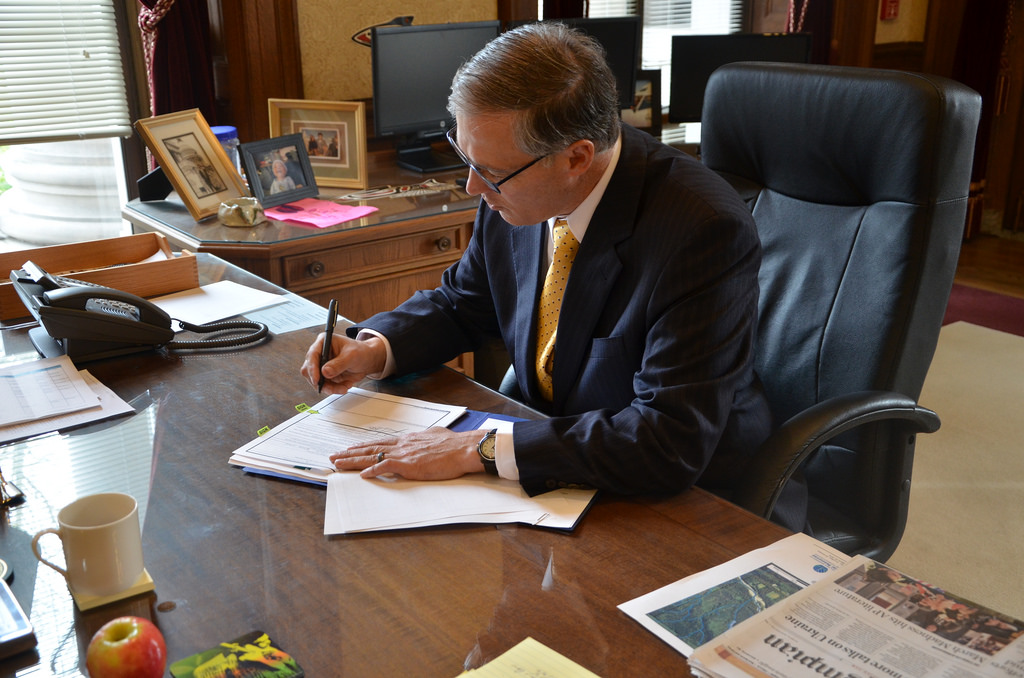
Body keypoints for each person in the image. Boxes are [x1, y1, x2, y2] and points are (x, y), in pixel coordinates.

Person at [301, 22, 774, 515]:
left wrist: (477, 449)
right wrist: (375, 349)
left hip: (685, 499)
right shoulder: (513, 180)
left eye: (489, 172)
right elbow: (466, 300)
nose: (472, 188)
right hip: (550, 468)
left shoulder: (701, 229)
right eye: (467, 158)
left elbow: (666, 440)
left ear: (576, 158)